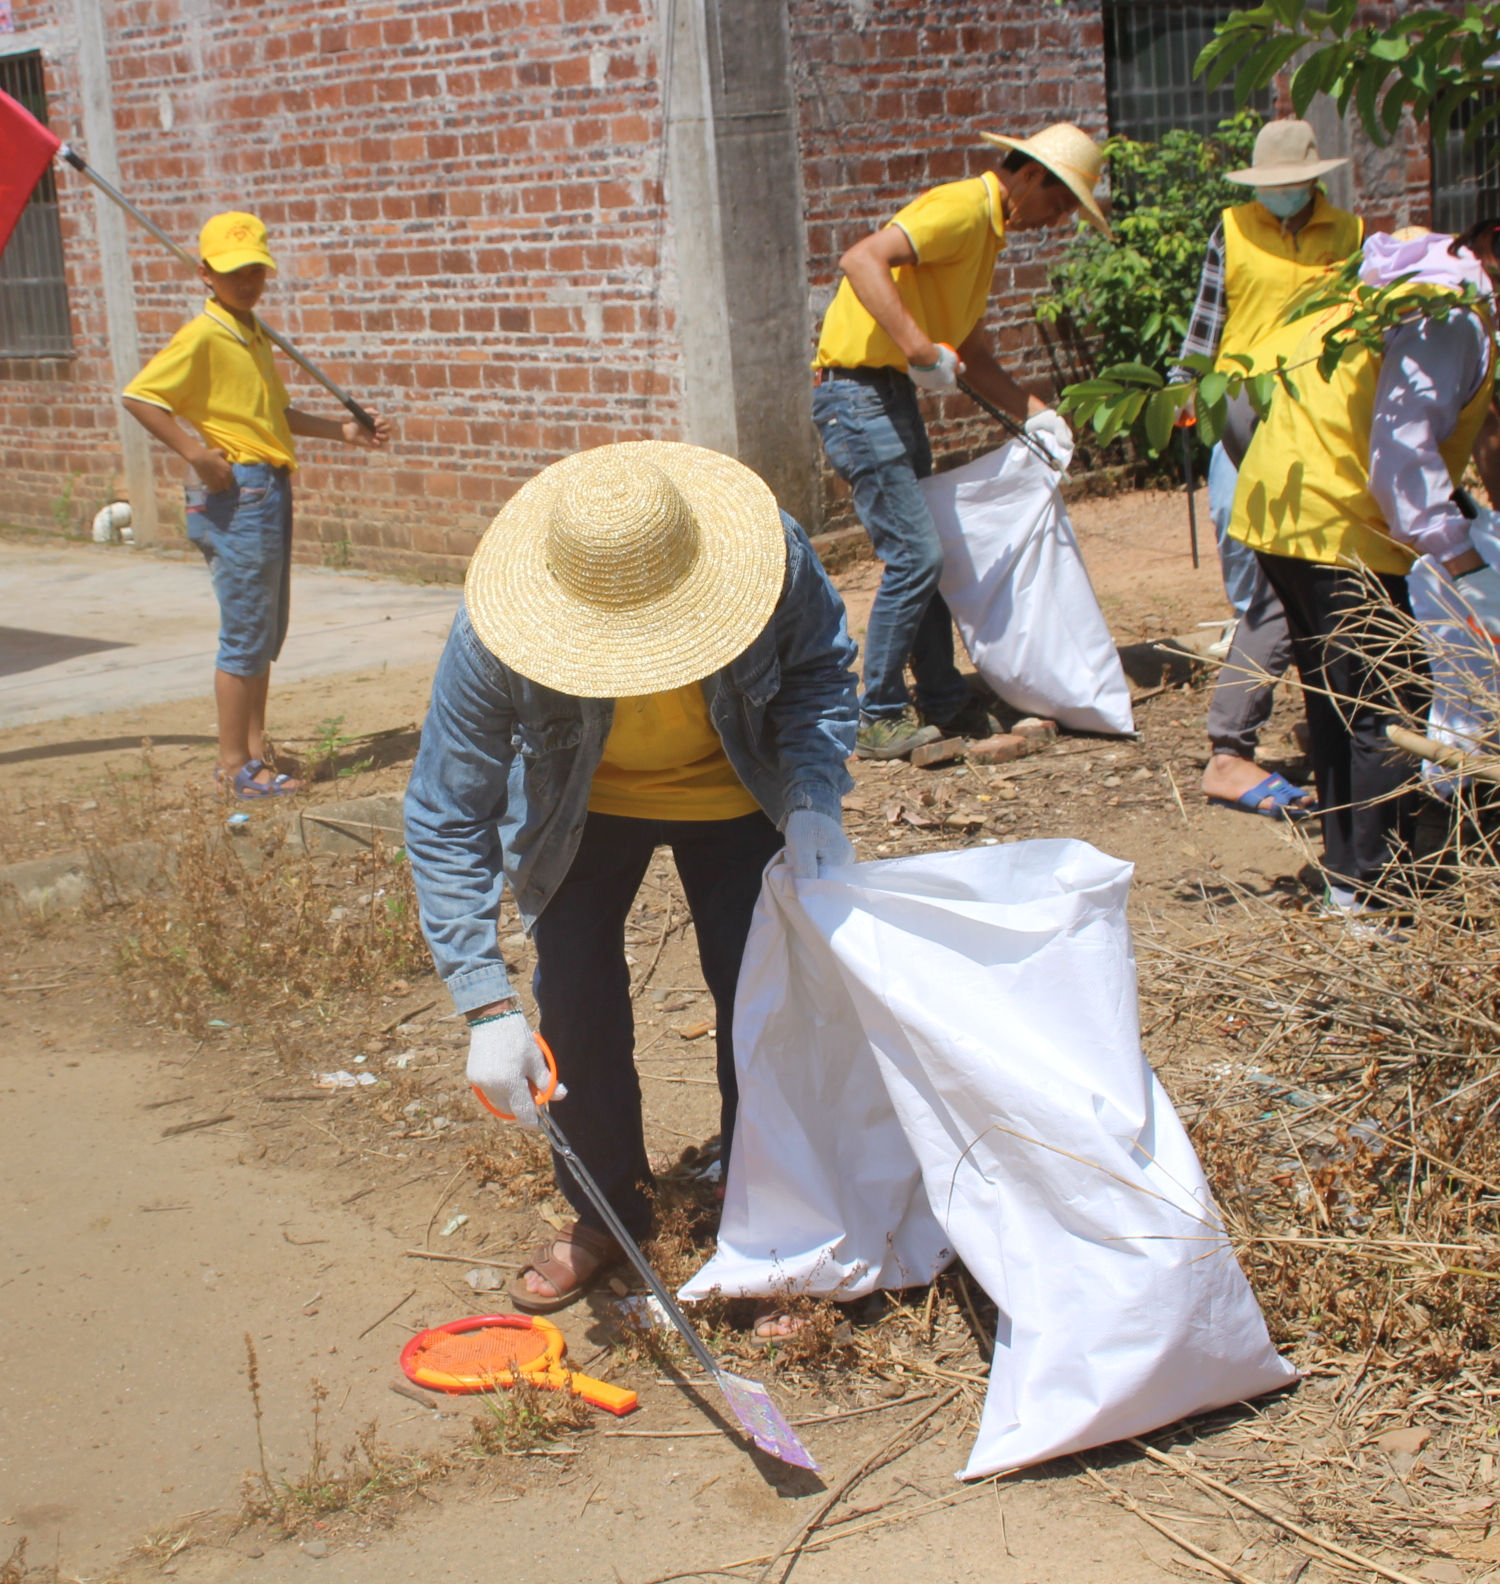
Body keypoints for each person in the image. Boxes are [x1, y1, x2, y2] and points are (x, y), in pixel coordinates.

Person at [404, 440, 859, 1315]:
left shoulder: (774, 559)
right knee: (575, 1007)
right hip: (581, 810)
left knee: (759, 1000)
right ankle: (607, 1213)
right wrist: (485, 1006)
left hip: (736, 790)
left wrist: (810, 797)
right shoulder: (493, 632)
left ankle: (765, 1210)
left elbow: (818, 675)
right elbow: (445, 809)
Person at [1227, 228, 1500, 924]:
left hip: (1278, 513)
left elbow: (1240, 402)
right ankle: (1379, 900)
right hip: (1340, 530)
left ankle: (1349, 879)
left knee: (1335, 699)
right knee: (1388, 710)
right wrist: (1462, 557)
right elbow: (1400, 452)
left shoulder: (1352, 299)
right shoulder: (1445, 315)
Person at [811, 124, 1109, 759]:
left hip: (888, 397)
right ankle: (878, 713)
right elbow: (861, 259)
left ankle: (943, 699)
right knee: (917, 555)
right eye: (1059, 204)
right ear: (1030, 176)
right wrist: (918, 347)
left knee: (930, 553)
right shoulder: (962, 207)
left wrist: (1040, 415)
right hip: (857, 395)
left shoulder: (988, 241)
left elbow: (973, 355)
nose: (1056, 221)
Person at [119, 212, 391, 799]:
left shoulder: (253, 333)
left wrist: (340, 432)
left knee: (267, 629)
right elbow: (140, 397)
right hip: (236, 492)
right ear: (205, 273)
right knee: (244, 633)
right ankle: (231, 765)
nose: (246, 281)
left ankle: (255, 746)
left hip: (269, 486)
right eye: (231, 271)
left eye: (255, 271)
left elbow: (275, 414)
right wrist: (196, 453)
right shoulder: (204, 335)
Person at [1174, 119, 1364, 819]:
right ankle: (1245, 736)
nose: (1282, 197)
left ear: (1314, 180)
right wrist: (1185, 387)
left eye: (1294, 185)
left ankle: (1271, 728)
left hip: (1322, 415)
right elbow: (1206, 321)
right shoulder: (1233, 229)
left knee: (1303, 574)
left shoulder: (1349, 234)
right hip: (1245, 415)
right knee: (1264, 564)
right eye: (1270, 188)